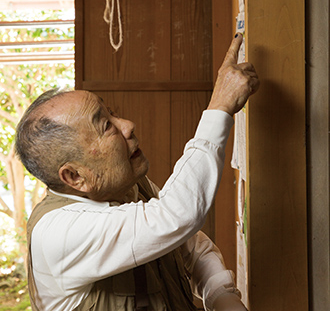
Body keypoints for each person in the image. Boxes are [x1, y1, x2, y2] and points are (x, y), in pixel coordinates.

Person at [15, 33, 259, 311]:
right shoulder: (58, 232)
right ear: (74, 177)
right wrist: (220, 107)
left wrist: (221, 295)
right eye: (106, 126)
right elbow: (177, 215)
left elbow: (189, 244)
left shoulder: (128, 185)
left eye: (112, 113)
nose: (128, 125)